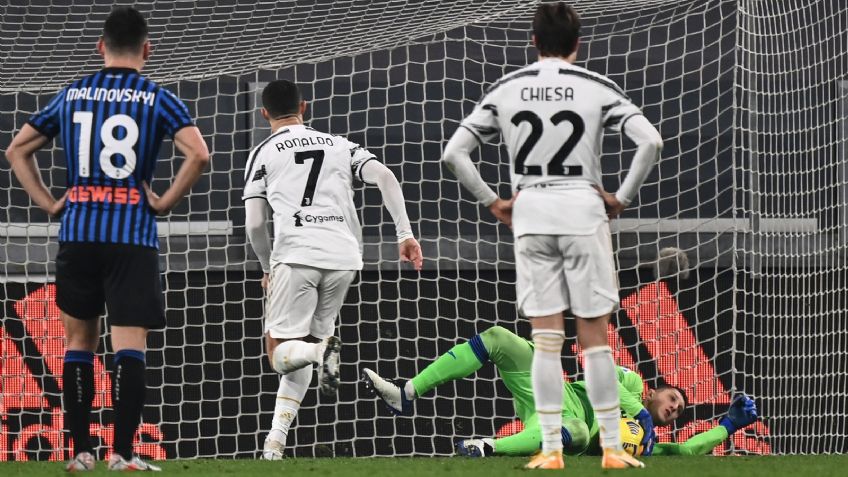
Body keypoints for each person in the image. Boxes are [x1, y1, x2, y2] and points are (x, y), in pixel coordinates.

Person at [441, 2, 663, 469]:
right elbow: (651, 141)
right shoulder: (596, 85)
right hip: (583, 209)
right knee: (595, 338)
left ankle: (551, 450)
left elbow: (454, 153)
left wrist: (493, 201)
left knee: (546, 339)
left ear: (534, 41)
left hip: (534, 211)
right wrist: (621, 197)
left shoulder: (508, 87)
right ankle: (612, 448)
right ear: (577, 44)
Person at [4, 6, 210, 472]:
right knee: (129, 345)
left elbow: (17, 148)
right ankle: (123, 453)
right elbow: (199, 154)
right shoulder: (157, 97)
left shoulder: (73, 93)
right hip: (131, 236)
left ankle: (81, 453)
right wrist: (164, 202)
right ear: (147, 49)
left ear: (100, 46)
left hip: (78, 234)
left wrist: (48, 203)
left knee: (78, 342)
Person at [243, 79, 424, 460]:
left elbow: (256, 223)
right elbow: (386, 177)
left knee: (279, 351)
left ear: (264, 114)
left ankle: (320, 352)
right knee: (306, 345)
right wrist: (405, 234)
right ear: (303, 107)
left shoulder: (263, 151)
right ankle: (275, 443)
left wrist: (266, 266)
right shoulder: (339, 144)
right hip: (343, 256)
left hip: (296, 255)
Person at [361, 326, 759, 457]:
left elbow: (687, 451)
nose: (675, 407)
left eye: (680, 409)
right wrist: (637, 410)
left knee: (579, 431)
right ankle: (406, 393)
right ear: (654, 391)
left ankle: (486, 447)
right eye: (673, 398)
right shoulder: (634, 386)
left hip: (566, 422)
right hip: (556, 387)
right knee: (499, 338)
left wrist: (728, 425)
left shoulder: (646, 445)